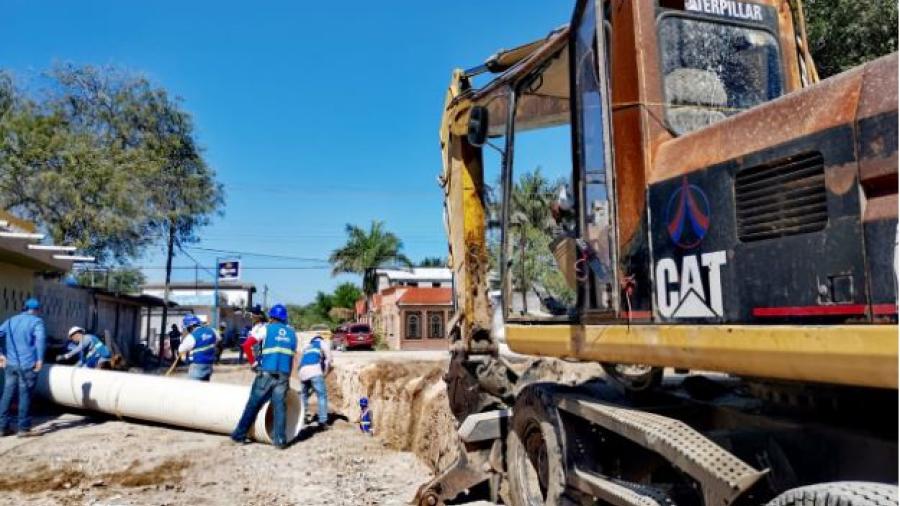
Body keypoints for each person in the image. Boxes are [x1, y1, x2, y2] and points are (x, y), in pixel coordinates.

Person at [230, 304, 297, 448]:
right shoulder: (292, 334)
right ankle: (280, 441)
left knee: (253, 404)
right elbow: (291, 357)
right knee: (280, 407)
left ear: (272, 317)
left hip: (266, 372)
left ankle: (239, 435)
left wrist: (253, 364)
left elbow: (247, 345)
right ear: (285, 318)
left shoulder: (266, 329)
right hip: (283, 375)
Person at [0, 298, 46, 437]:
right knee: (25, 395)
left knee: (7, 395)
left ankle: (2, 428)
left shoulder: (10, 321)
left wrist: (1, 354)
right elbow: (41, 340)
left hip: (10, 365)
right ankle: (23, 428)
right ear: (36, 310)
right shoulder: (36, 321)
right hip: (27, 365)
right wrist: (40, 359)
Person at [299, 333, 332, 429]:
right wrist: (325, 372)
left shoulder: (307, 346)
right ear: (320, 338)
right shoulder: (322, 343)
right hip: (315, 371)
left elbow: (302, 360)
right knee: (321, 396)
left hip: (302, 372)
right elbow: (329, 360)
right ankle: (322, 421)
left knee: (304, 396)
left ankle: (302, 418)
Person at [177, 314, 219, 381]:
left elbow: (181, 349)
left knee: (193, 388)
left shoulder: (192, 336)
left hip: (197, 364)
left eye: (187, 328)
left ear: (190, 327)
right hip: (209, 364)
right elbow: (218, 339)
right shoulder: (212, 331)